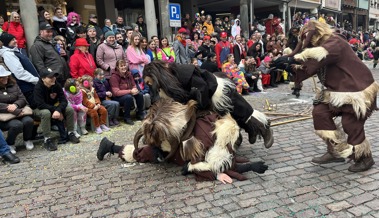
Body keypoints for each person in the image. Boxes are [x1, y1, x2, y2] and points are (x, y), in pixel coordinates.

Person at [273, 20, 379, 172]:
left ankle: (365, 158)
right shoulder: (319, 47)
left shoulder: (334, 42)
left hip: (357, 90)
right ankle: (335, 151)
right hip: (337, 90)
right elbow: (309, 67)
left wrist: (293, 59)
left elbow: (319, 57)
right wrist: (288, 67)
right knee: (320, 113)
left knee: (351, 123)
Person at [96, 99, 268, 183]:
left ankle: (110, 146)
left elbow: (215, 162)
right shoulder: (201, 139)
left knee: (149, 151)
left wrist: (248, 167)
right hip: (171, 146)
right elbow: (201, 166)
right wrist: (217, 174)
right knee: (144, 153)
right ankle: (110, 147)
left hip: (175, 144)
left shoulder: (208, 135)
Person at [143, 61, 274, 148]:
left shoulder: (182, 71)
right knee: (223, 119)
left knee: (241, 112)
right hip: (206, 98)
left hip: (215, 91)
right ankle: (235, 139)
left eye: (149, 82)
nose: (149, 85)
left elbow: (202, 87)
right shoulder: (166, 85)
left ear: (154, 75)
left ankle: (263, 128)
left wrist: (202, 106)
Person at [34, 69, 80, 151]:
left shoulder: (56, 85)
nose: (53, 78)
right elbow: (40, 105)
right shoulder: (38, 88)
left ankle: (70, 132)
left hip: (54, 107)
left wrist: (58, 110)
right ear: (43, 78)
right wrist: (56, 110)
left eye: (54, 76)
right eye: (50, 77)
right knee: (46, 113)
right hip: (39, 109)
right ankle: (47, 139)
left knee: (69, 109)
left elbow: (64, 100)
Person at [0, 66, 34, 154]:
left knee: (28, 121)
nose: (5, 78)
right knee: (16, 125)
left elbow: (22, 98)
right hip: (4, 116)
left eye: (6, 76)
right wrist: (10, 108)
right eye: (2, 77)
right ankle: (10, 143)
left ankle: (28, 139)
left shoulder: (14, 84)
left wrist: (15, 105)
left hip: (19, 111)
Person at [0, 33, 39, 108]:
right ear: (6, 42)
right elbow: (19, 73)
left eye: (15, 39)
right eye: (12, 40)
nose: (15, 41)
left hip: (33, 84)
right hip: (28, 87)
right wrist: (36, 80)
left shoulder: (16, 51)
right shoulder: (8, 54)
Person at [109, 60, 145, 125]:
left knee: (139, 94)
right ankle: (127, 117)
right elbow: (116, 92)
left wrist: (135, 90)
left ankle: (140, 114)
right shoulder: (114, 77)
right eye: (121, 66)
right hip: (117, 97)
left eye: (124, 65)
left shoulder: (129, 74)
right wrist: (130, 91)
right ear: (117, 67)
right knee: (128, 97)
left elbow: (134, 85)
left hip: (129, 93)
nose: (123, 67)